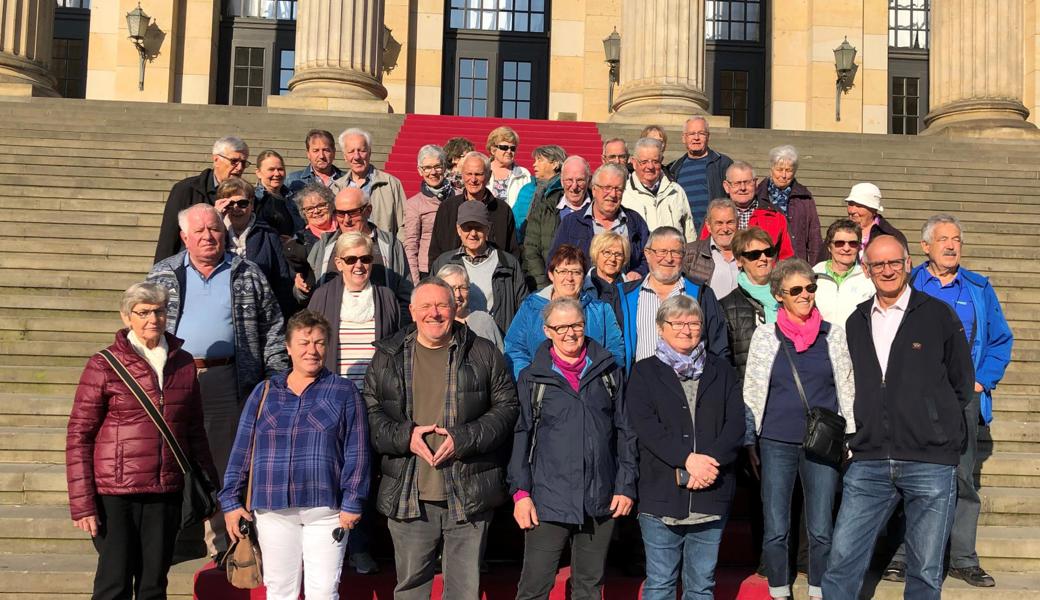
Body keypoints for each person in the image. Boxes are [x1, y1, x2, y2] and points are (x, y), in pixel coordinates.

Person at [821, 235, 975, 600]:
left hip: (929, 459)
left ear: (908, 263)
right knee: (842, 559)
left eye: (894, 262)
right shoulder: (856, 320)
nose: (887, 270)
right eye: (878, 264)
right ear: (866, 269)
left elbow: (962, 383)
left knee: (923, 569)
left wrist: (940, 431)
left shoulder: (938, 315)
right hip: (869, 458)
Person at [146, 203, 289, 559]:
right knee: (171, 456)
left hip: (227, 378)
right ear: (184, 238)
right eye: (200, 231)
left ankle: (224, 546)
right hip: (175, 377)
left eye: (214, 229)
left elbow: (273, 328)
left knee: (224, 462)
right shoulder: (163, 275)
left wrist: (273, 378)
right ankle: (173, 539)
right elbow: (142, 325)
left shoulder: (247, 273)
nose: (209, 236)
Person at [365, 278, 519, 600]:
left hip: (467, 495)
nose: (434, 313)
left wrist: (463, 439)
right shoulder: (388, 357)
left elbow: (507, 409)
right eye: (426, 306)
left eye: (442, 305)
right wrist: (405, 437)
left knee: (464, 592)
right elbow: (371, 414)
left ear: (455, 308)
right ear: (412, 311)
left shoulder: (484, 352)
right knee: (410, 590)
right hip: (409, 497)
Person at [882, 215, 1013, 588]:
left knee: (963, 478)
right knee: (908, 474)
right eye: (943, 239)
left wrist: (981, 381)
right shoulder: (908, 284)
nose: (952, 245)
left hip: (962, 398)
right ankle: (903, 556)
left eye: (957, 238)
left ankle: (962, 559)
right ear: (925, 247)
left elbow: (1000, 339)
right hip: (912, 396)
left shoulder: (977, 287)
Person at [66, 282, 218, 600]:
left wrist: (208, 486)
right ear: (127, 317)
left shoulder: (183, 363)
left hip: (166, 491)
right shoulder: (103, 365)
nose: (153, 318)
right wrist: (83, 504)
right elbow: (79, 435)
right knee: (113, 583)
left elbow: (194, 431)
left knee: (153, 585)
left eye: (159, 311)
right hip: (115, 493)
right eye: (144, 312)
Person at [220, 310, 370, 600]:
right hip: (272, 509)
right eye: (303, 343)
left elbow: (357, 450)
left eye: (319, 343)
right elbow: (242, 449)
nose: (311, 350)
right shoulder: (264, 392)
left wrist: (353, 500)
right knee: (279, 592)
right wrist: (230, 500)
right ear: (288, 347)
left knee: (324, 592)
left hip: (326, 511)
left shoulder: (344, 392)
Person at [509, 297, 637, 600]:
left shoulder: (609, 371)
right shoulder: (532, 377)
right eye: (561, 326)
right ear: (547, 331)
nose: (570, 333)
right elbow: (521, 436)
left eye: (576, 325)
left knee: (589, 588)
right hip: (548, 499)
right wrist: (521, 494)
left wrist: (625, 486)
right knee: (534, 587)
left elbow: (625, 433)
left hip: (600, 497)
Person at [743, 258, 856, 600]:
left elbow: (847, 385)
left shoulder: (833, 334)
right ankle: (780, 591)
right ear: (779, 295)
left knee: (821, 526)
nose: (806, 295)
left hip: (822, 443)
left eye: (810, 288)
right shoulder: (765, 336)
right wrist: (750, 439)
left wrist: (850, 434)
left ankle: (818, 590)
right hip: (776, 440)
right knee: (777, 526)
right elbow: (752, 388)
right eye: (796, 290)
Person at [626, 295, 744, 600]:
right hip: (661, 494)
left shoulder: (722, 371)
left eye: (693, 322)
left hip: (711, 491)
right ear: (660, 328)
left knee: (701, 586)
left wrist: (708, 465)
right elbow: (645, 427)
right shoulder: (644, 373)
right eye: (677, 323)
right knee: (661, 582)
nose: (686, 329)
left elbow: (735, 425)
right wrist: (687, 460)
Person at [618, 227, 729, 372]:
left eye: (676, 252)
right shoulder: (626, 296)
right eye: (662, 252)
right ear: (648, 253)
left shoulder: (702, 294)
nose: (669, 259)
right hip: (642, 386)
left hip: (690, 387)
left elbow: (718, 347)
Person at [505, 245, 625, 378]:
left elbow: (615, 351)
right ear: (551, 274)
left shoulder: (600, 310)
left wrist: (602, 382)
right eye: (562, 271)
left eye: (576, 272)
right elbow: (515, 349)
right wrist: (528, 382)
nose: (569, 278)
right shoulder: (531, 307)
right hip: (542, 390)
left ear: (584, 276)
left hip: (590, 389)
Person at [307, 232, 406, 389]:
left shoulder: (387, 298)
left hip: (375, 397)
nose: (359, 265)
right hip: (334, 394)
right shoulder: (322, 297)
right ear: (339, 263)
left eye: (365, 259)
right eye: (351, 259)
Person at [430, 201, 527, 334]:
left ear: (488, 228)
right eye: (467, 228)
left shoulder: (508, 264)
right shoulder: (443, 263)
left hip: (498, 340)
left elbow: (523, 309)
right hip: (454, 340)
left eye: (479, 227)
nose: (473, 233)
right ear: (458, 229)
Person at [306, 187, 412, 308]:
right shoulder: (324, 246)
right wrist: (301, 289)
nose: (346, 220)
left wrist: (396, 324)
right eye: (340, 213)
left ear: (368, 210)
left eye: (353, 213)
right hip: (331, 324)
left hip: (377, 323)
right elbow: (305, 296)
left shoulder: (390, 245)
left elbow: (406, 294)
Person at [154, 135, 249, 261]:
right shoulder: (186, 190)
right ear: (216, 160)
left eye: (244, 162)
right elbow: (168, 239)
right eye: (234, 161)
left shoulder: (245, 195)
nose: (240, 168)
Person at [550, 163, 650, 281]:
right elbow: (554, 261)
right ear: (594, 190)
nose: (613, 194)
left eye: (618, 189)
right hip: (583, 294)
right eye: (607, 188)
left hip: (625, 293)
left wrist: (638, 272)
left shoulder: (634, 221)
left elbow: (649, 256)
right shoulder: (572, 222)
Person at [215, 177, 295, 317]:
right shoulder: (213, 233)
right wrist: (215, 220)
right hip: (220, 311)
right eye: (230, 204)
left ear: (252, 204)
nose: (236, 208)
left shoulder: (269, 234)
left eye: (242, 203)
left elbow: (282, 280)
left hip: (260, 313)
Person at [427, 151, 521, 264]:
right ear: (462, 175)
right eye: (468, 174)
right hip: (453, 275)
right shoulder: (447, 208)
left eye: (478, 174)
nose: (473, 179)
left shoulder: (502, 210)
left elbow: (512, 252)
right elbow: (435, 251)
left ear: (489, 175)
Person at [720, 227, 781, 382]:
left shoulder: (790, 296)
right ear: (740, 261)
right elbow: (724, 361)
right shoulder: (725, 306)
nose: (763, 258)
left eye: (768, 252)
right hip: (749, 392)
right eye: (754, 255)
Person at [523, 156, 591, 289]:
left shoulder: (598, 210)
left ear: (588, 181)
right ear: (561, 181)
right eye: (569, 180)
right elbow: (531, 250)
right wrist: (546, 287)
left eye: (580, 180)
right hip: (549, 288)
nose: (574, 186)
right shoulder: (544, 209)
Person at [330, 128, 407, 240]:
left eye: (361, 150)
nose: (356, 157)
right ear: (345, 156)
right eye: (351, 151)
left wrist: (396, 250)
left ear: (370, 152)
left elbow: (404, 224)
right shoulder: (336, 188)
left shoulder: (391, 184)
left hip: (383, 251)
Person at [706, 161, 794, 260]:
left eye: (747, 182)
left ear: (756, 184)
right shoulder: (715, 215)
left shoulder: (775, 216)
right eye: (737, 183)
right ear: (727, 186)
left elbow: (787, 257)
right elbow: (702, 251)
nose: (743, 188)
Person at [753, 145, 822, 264]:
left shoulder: (804, 197)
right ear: (771, 169)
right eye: (779, 170)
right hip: (765, 261)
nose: (784, 175)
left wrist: (815, 266)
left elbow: (814, 235)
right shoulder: (758, 194)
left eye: (789, 170)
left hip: (796, 262)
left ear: (794, 172)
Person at [622, 138, 696, 243]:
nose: (650, 166)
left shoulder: (676, 191)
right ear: (634, 163)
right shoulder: (624, 194)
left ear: (661, 161)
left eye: (655, 161)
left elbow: (689, 232)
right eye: (644, 162)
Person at [667, 116, 733, 227]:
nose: (696, 138)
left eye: (701, 133)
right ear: (684, 138)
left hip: (714, 232)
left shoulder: (723, 164)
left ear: (708, 137)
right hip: (684, 234)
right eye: (691, 134)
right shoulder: (674, 168)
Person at [812, 219, 875, 327]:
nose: (846, 248)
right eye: (839, 243)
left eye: (853, 243)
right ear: (829, 247)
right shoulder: (813, 275)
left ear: (859, 247)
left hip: (854, 342)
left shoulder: (868, 278)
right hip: (821, 341)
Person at [405, 145, 452, 282]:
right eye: (427, 168)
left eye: (437, 166)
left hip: (455, 266)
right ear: (420, 171)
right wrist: (414, 282)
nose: (433, 172)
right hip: (427, 269)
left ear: (444, 167)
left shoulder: (459, 197)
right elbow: (411, 245)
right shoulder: (414, 204)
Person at [284, 184, 339, 300]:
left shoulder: (345, 230)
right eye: (309, 209)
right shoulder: (298, 242)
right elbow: (296, 283)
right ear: (303, 213)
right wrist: (299, 289)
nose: (316, 211)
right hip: (318, 301)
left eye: (321, 205)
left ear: (331, 205)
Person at [436, 263, 504, 350]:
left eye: (463, 288)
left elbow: (498, 359)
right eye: (451, 288)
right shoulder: (433, 323)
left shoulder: (481, 322)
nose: (458, 294)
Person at [830, 182, 908, 257]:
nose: (852, 210)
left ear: (873, 209)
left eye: (859, 205)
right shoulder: (836, 232)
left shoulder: (893, 236)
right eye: (850, 204)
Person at [683, 198, 740, 298]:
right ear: (708, 226)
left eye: (730, 222)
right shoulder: (690, 253)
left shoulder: (749, 253)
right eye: (719, 223)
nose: (725, 229)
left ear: (738, 223)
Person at [512, 144, 566, 236]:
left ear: (555, 164)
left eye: (540, 160)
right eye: (535, 160)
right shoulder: (527, 189)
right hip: (522, 244)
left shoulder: (563, 191)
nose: (534, 164)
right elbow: (514, 218)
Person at [583, 231, 630, 326]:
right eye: (607, 252)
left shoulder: (632, 289)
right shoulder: (582, 288)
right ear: (596, 254)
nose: (613, 259)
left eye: (618, 254)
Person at [285, 129, 345, 203]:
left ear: (334, 152)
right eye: (316, 151)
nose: (321, 156)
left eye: (326, 150)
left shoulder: (347, 179)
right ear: (308, 154)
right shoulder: (292, 180)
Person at [252, 150, 299, 236]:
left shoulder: (293, 198)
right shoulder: (254, 200)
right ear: (258, 173)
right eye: (271, 169)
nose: (277, 174)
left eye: (280, 169)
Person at [486, 126, 531, 207]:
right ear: (493, 150)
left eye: (513, 148)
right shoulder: (482, 171)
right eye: (504, 147)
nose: (509, 151)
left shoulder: (524, 174)